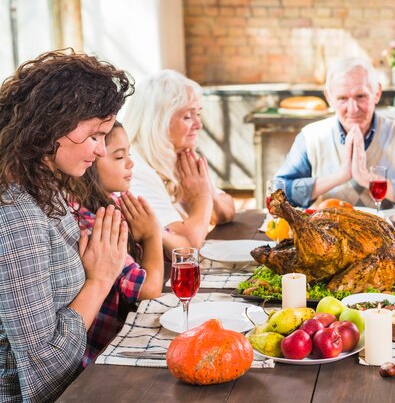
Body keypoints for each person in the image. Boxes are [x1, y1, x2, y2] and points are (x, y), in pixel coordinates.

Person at [0, 49, 132, 402]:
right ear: (51, 127)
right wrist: (100, 280)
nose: (102, 150)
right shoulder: (15, 216)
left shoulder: (44, 188)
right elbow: (44, 369)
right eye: (95, 135)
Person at [275, 57, 395, 211]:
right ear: (329, 97)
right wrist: (340, 176)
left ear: (377, 93)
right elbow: (277, 193)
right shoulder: (311, 136)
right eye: (342, 98)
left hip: (384, 236)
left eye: (361, 96)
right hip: (326, 236)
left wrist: (367, 179)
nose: (352, 108)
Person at [69, 121, 164, 366]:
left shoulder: (110, 202)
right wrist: (153, 235)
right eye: (120, 157)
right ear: (90, 162)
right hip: (98, 359)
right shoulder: (91, 221)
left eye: (129, 154)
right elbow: (149, 290)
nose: (131, 163)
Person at [123, 70, 235, 253]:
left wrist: (207, 192)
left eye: (198, 114)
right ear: (158, 121)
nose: (199, 125)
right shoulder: (135, 170)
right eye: (188, 116)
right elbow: (187, 245)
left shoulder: (178, 156)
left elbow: (228, 211)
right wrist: (202, 198)